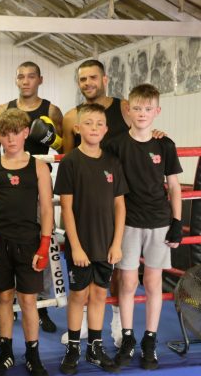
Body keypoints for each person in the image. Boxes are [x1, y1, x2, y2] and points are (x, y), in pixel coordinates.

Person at [105, 84, 182, 370]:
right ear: (128, 110)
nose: (141, 113)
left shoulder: (165, 144)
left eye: (148, 109)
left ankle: (149, 340)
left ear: (157, 112)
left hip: (159, 222)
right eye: (136, 108)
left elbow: (174, 186)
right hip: (127, 223)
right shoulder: (115, 144)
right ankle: (127, 338)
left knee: (152, 282)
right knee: (126, 282)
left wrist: (176, 222)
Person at [0, 109, 53, 376]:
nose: (11, 139)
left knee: (28, 299)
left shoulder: (39, 166)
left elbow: (46, 209)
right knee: (5, 297)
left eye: (16, 133)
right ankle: (5, 352)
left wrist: (44, 245)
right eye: (5, 134)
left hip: (29, 240)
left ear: (25, 133)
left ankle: (33, 354)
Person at [61, 59, 131, 346]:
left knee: (111, 270)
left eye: (93, 77)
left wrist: (157, 135)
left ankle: (112, 323)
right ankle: (83, 332)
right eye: (82, 79)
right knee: (81, 283)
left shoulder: (124, 107)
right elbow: (68, 154)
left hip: (118, 192)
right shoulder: (69, 117)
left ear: (105, 79)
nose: (88, 83)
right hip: (84, 199)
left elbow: (142, 128)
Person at [54, 103, 128, 375]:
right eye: (89, 123)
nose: (94, 128)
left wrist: (117, 242)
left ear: (106, 129)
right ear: (77, 127)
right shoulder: (71, 162)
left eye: (99, 123)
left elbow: (120, 205)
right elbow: (67, 208)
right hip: (81, 245)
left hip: (106, 244)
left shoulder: (112, 162)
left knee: (99, 294)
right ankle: (74, 347)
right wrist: (75, 246)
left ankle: (95, 347)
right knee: (78, 295)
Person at [0, 61, 63, 333]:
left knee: (41, 244)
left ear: (40, 80)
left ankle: (43, 305)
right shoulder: (3, 109)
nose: (25, 81)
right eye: (21, 76)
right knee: (6, 244)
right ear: (16, 80)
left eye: (31, 77)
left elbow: (63, 146)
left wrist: (50, 138)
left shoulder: (51, 110)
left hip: (39, 185)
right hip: (9, 187)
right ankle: (7, 306)